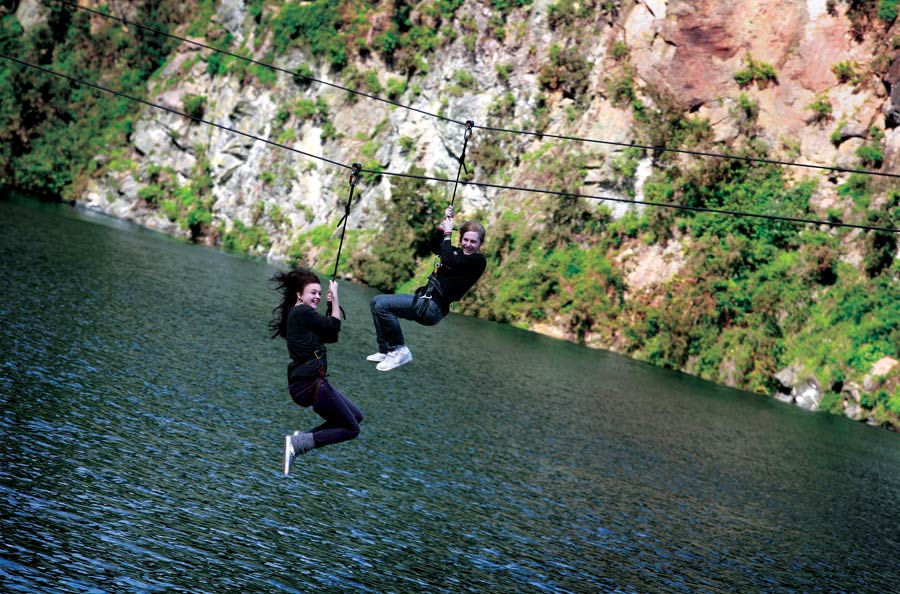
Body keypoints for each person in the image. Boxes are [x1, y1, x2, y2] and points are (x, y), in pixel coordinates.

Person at [368, 206, 486, 371]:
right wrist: (442, 227)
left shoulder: (477, 262)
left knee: (383, 306)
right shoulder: (455, 252)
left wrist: (447, 234)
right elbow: (434, 247)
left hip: (433, 308)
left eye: (473, 241)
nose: (468, 244)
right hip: (425, 300)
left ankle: (399, 349)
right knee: (375, 302)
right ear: (461, 239)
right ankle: (386, 350)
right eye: (465, 240)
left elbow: (450, 260)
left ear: (480, 243)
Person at [269, 269, 363, 475]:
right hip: (309, 383)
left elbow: (330, 334)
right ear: (299, 295)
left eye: (320, 293)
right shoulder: (301, 312)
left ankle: (300, 440)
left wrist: (331, 305)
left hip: (310, 382)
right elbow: (334, 326)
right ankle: (298, 443)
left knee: (356, 416)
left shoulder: (300, 315)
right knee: (352, 429)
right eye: (313, 292)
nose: (318, 297)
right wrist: (336, 299)